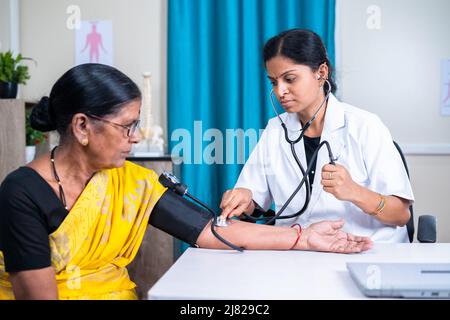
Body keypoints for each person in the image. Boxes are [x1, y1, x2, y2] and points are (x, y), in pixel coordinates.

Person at [0, 64, 372, 300]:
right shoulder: (21, 193)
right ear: (82, 126)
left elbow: (210, 231)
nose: (136, 136)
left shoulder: (131, 182)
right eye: (127, 125)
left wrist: (302, 237)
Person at [220, 29, 414, 243]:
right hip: (300, 252)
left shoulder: (365, 126)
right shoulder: (275, 130)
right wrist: (245, 199)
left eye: (290, 79)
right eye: (274, 82)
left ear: (321, 72)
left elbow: (401, 215)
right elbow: (255, 203)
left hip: (366, 251)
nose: (280, 91)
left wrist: (355, 192)